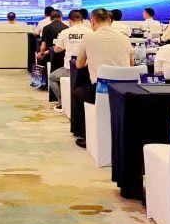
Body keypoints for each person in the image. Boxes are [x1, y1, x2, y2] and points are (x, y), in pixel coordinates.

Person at [73, 8, 133, 148]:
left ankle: (85, 134)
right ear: (109, 20)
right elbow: (131, 64)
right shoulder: (124, 38)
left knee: (77, 93)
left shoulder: (88, 37)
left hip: (101, 90)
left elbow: (79, 64)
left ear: (93, 21)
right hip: (126, 90)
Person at [49, 10, 90, 104]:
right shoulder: (90, 31)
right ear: (82, 20)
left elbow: (56, 50)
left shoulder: (65, 32)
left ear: (69, 21)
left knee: (52, 77)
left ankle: (62, 102)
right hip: (86, 68)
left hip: (69, 68)